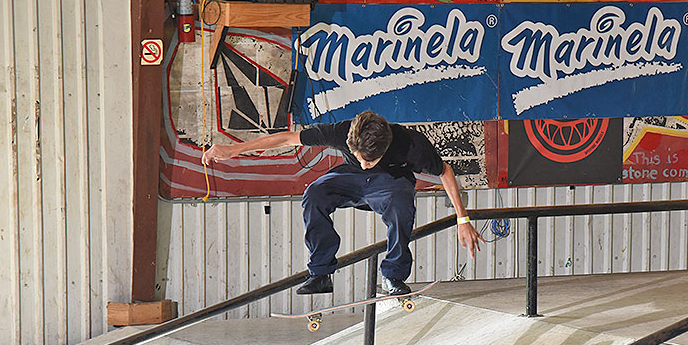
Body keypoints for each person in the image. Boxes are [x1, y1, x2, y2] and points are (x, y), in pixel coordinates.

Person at [202, 111, 484, 296]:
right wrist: (234, 149)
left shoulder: (411, 144)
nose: (363, 162)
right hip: (348, 179)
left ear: (385, 147)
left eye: (369, 159)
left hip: (390, 182)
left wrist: (463, 219)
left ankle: (393, 277)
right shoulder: (341, 131)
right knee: (314, 193)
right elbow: (288, 138)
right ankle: (321, 273)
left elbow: (445, 171)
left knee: (401, 204)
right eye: (358, 155)